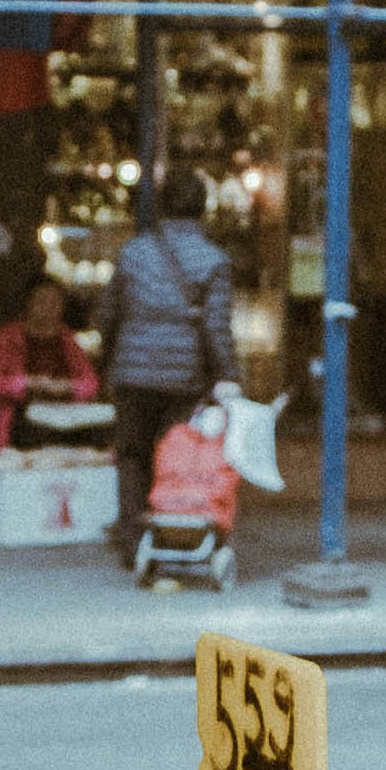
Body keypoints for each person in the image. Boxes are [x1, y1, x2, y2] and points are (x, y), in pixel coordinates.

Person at [99, 197, 243, 560]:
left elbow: (108, 315)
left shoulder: (132, 253)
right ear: (202, 210)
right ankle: (171, 536)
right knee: (175, 458)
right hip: (184, 376)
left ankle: (133, 541)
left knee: (132, 455)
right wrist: (227, 373)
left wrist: (110, 362)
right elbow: (216, 326)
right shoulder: (215, 260)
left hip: (131, 374)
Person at [0, 274, 97, 457]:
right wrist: (26, 384)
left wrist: (66, 387)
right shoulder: (6, 339)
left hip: (65, 429)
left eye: (55, 302)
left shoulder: (68, 340)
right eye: (42, 301)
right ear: (28, 303)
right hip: (16, 428)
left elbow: (90, 384)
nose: (49, 308)